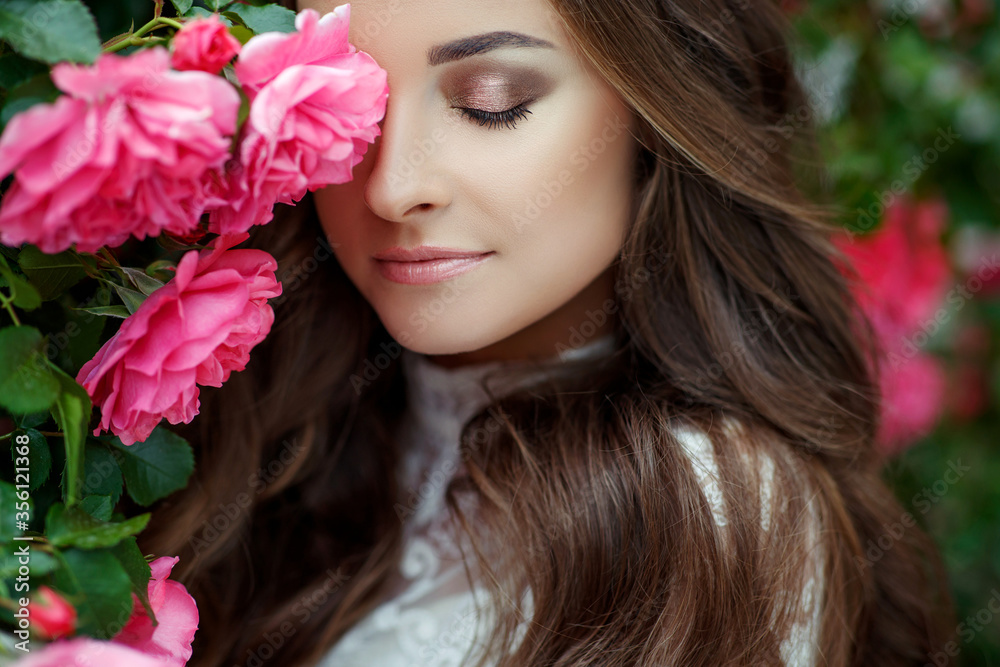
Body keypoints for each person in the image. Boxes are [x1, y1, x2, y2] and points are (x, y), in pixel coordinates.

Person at [138, 0, 957, 665]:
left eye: (490, 101)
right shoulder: (279, 424)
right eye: (351, 113)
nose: (394, 188)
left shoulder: (706, 512)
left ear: (652, 107)